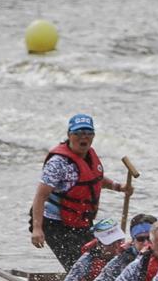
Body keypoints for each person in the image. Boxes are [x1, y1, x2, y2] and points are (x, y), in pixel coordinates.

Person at [30, 114, 132, 271]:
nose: (83, 137)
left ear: (93, 136)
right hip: (55, 224)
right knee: (80, 266)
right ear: (69, 135)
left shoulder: (89, 156)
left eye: (88, 133)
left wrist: (118, 186)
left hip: (80, 222)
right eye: (78, 133)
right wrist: (37, 228)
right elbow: (40, 197)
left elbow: (94, 179)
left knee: (100, 259)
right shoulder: (57, 163)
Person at [83, 213, 155, 281]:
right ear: (133, 240)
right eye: (140, 239)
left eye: (150, 238)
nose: (146, 243)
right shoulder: (121, 261)